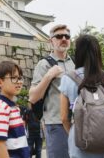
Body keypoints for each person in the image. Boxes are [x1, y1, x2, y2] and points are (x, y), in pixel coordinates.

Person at [59, 34, 104, 157]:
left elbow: (63, 117)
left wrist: (75, 133)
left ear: (78, 53)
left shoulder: (68, 78)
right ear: (97, 53)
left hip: (82, 145)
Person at [29, 24, 75, 158]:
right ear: (51, 41)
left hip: (78, 122)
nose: (64, 39)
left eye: (67, 36)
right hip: (56, 123)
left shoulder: (76, 63)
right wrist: (49, 76)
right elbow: (33, 97)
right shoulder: (44, 64)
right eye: (59, 36)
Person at [0, 61, 30, 158]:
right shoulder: (2, 108)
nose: (19, 82)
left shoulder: (13, 107)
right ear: (0, 82)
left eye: (20, 78)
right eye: (14, 78)